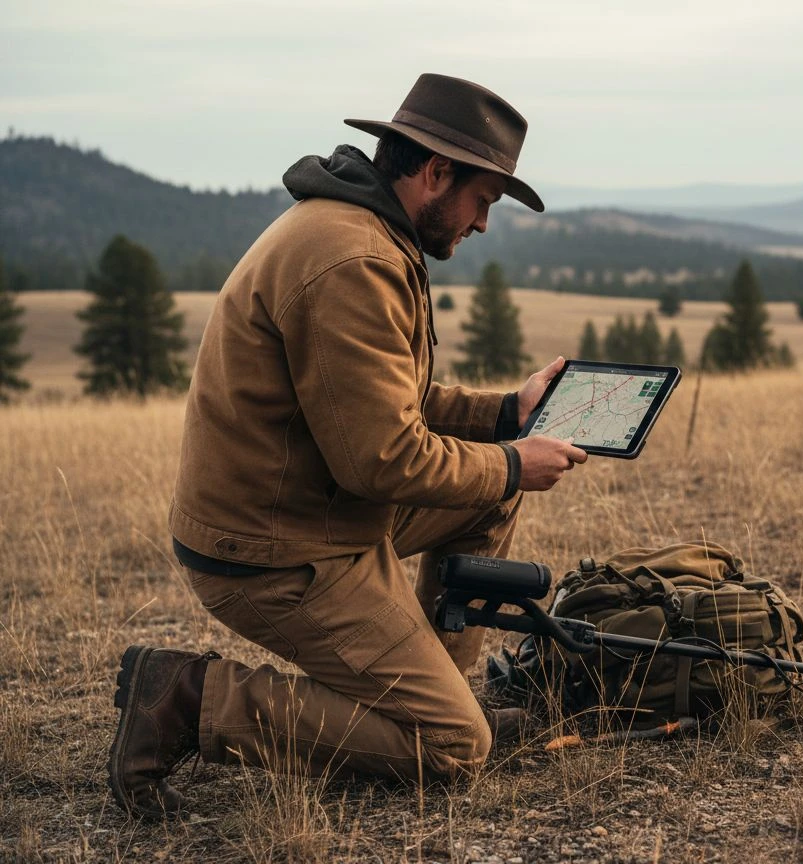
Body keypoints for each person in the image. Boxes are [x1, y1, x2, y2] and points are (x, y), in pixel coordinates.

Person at [107, 73, 588, 817]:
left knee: (486, 499)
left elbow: (382, 403)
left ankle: (439, 690)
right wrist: (512, 463)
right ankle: (189, 697)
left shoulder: (364, 231)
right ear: (436, 173)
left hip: (316, 513)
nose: (484, 223)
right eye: (484, 199)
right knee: (453, 747)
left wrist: (504, 415)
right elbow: (381, 459)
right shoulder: (355, 260)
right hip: (276, 549)